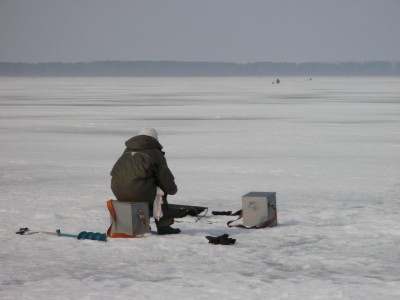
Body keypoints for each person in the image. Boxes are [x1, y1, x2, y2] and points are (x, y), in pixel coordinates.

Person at [110, 128, 180, 235]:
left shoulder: (127, 150)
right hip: (138, 191)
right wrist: (172, 189)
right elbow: (165, 178)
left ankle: (141, 223)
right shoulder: (155, 153)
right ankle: (164, 226)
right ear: (154, 139)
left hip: (118, 190)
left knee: (143, 187)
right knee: (160, 192)